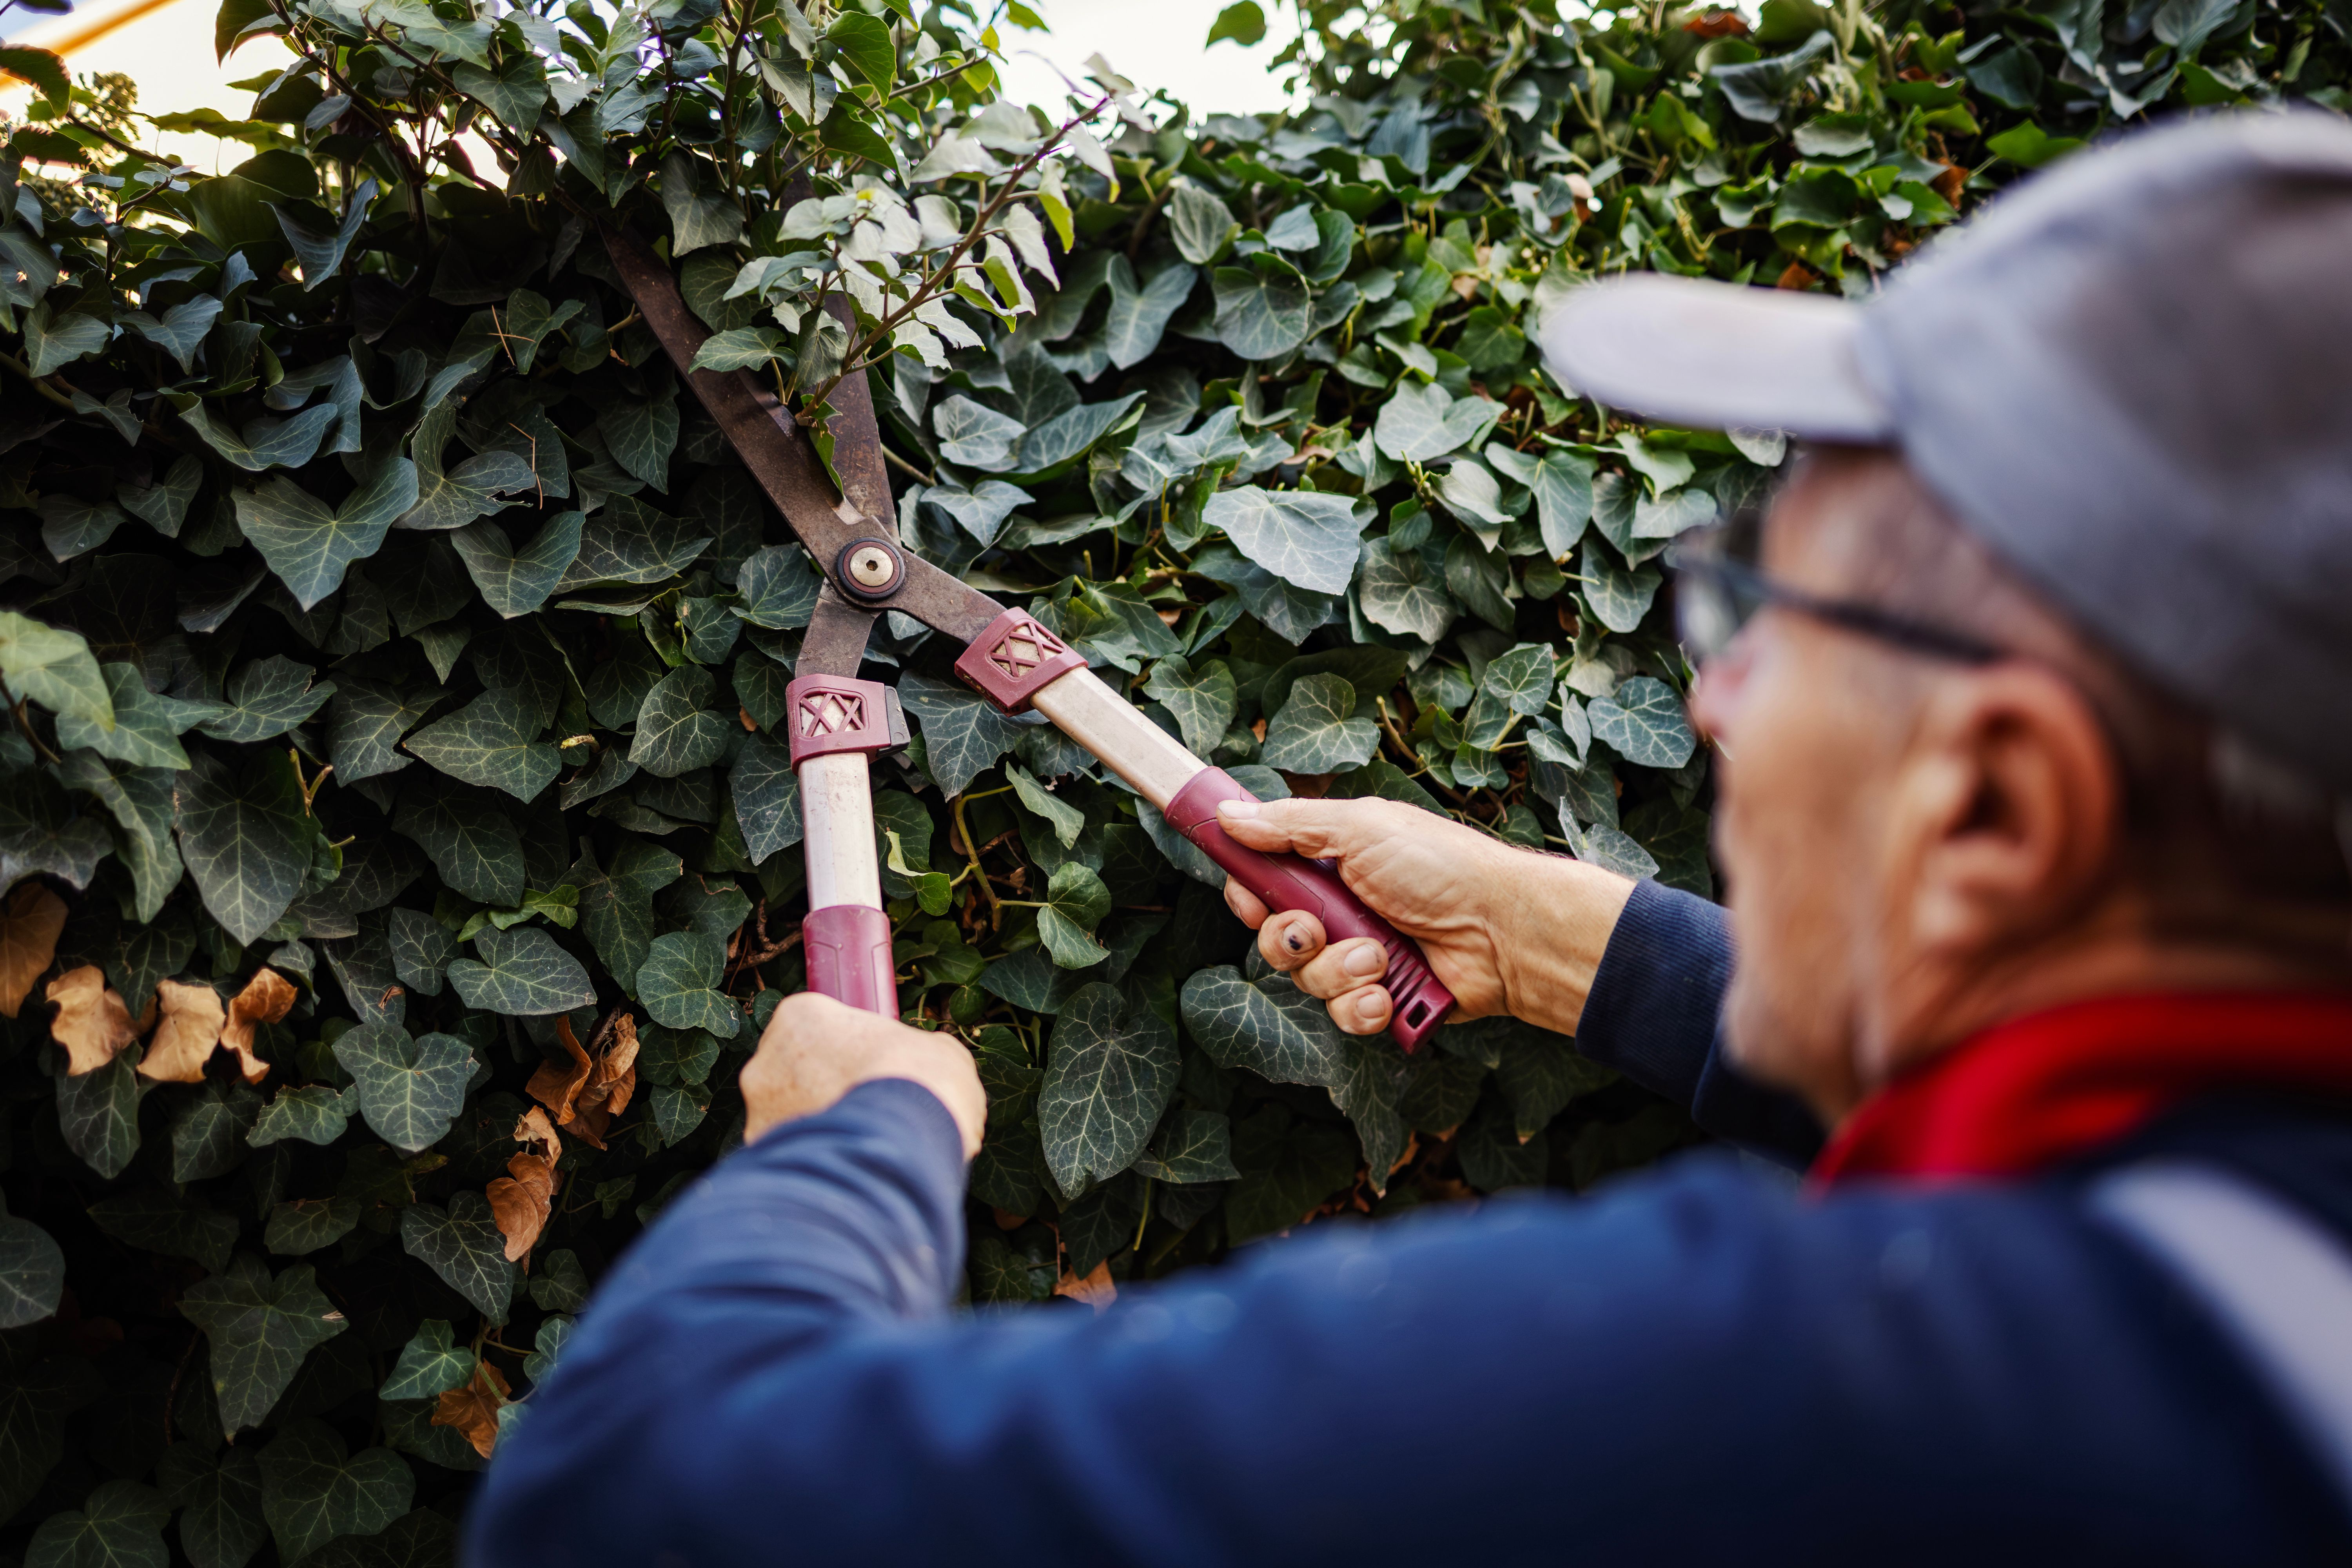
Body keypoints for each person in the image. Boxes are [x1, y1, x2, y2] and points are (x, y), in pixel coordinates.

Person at [466, 112, 2352, 1564]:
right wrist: (1548, 937)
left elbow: (639, 1504)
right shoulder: (2249, 1279)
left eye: (1773, 622)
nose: (1714, 700)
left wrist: (848, 1148)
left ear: (2006, 803)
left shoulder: (1861, 1395)